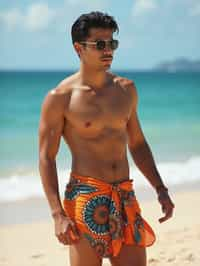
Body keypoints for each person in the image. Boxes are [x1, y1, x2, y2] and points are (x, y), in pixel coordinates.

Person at [39, 11, 175, 266]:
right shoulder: (61, 97)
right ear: (79, 48)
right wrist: (57, 214)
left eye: (112, 43)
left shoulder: (126, 90)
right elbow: (47, 156)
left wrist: (161, 189)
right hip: (85, 196)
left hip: (124, 194)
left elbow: (137, 144)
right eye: (99, 44)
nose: (108, 50)